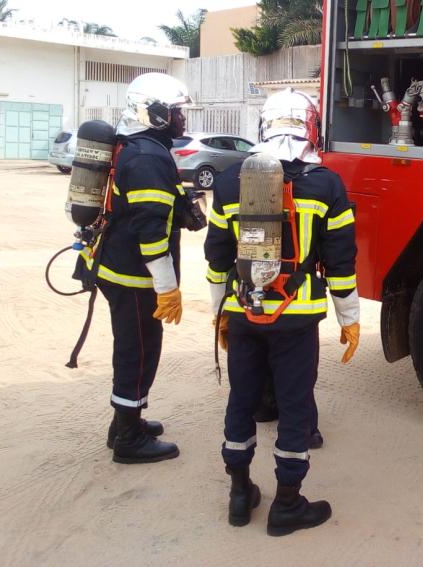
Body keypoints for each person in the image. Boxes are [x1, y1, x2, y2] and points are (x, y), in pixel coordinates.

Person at [205, 87, 360, 536]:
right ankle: (287, 504)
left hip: (243, 313)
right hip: (297, 319)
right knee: (295, 408)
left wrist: (220, 314)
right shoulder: (326, 184)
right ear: (311, 127)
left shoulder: (230, 181)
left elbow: (217, 257)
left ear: (264, 126)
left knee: (241, 401)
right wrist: (349, 318)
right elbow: (341, 262)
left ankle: (239, 495)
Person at [78, 72, 191, 464]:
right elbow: (150, 231)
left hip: (120, 267)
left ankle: (125, 422)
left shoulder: (139, 147)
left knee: (134, 346)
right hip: (134, 275)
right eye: (176, 112)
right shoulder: (147, 157)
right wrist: (167, 286)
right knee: (139, 351)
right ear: (154, 113)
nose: (182, 119)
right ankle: (128, 438)